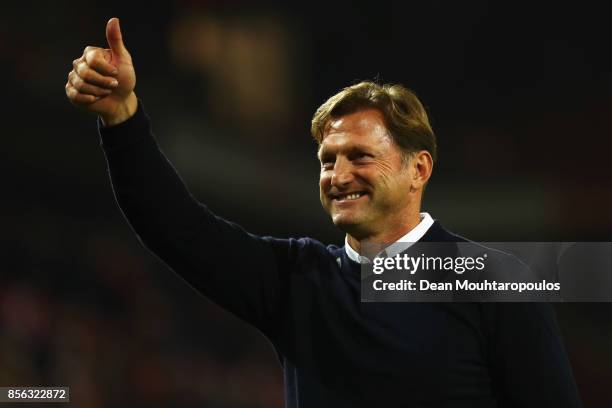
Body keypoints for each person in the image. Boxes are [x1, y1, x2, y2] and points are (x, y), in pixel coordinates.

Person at [66, 18, 583, 407]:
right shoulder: (298, 280)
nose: (338, 176)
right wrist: (121, 118)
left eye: (360, 156)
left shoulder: (495, 283)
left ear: (418, 169)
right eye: (327, 161)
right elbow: (172, 225)